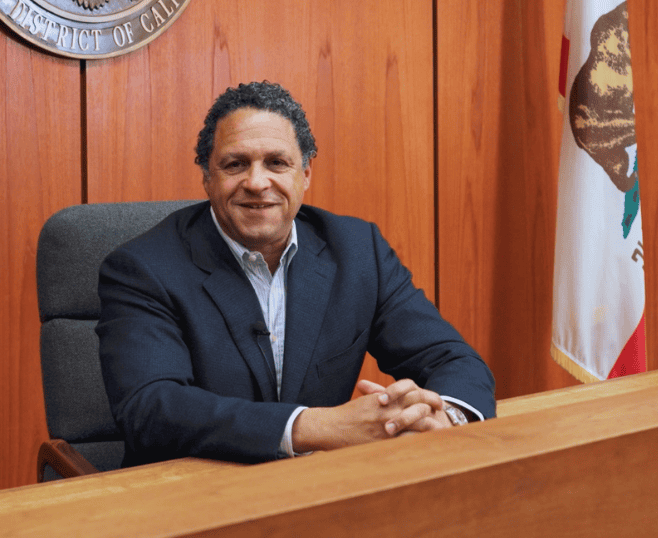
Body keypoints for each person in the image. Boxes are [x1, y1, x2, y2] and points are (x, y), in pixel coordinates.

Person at [96, 81, 495, 467]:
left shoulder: (357, 250)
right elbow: (152, 408)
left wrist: (444, 419)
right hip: (192, 497)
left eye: (276, 163)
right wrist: (317, 426)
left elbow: (452, 358)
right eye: (235, 164)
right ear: (207, 177)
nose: (256, 182)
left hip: (321, 492)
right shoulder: (143, 268)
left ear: (305, 174)